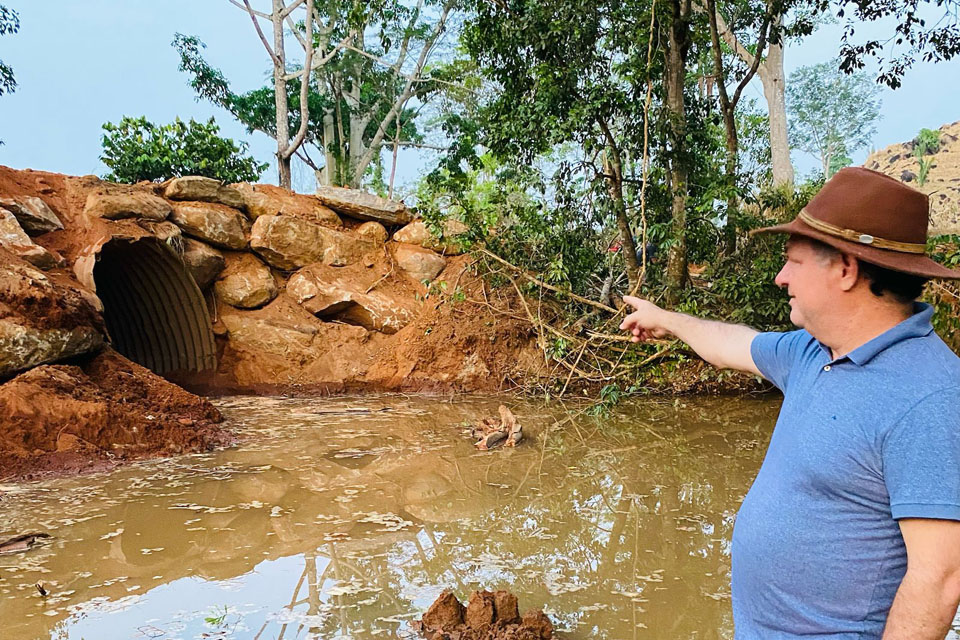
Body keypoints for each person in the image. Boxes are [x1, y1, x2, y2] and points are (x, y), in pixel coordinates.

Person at [619, 167, 960, 639]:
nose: (781, 278)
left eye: (793, 262)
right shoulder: (812, 351)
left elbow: (940, 579)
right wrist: (668, 320)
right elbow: (733, 344)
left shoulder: (930, 396)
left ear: (845, 269)